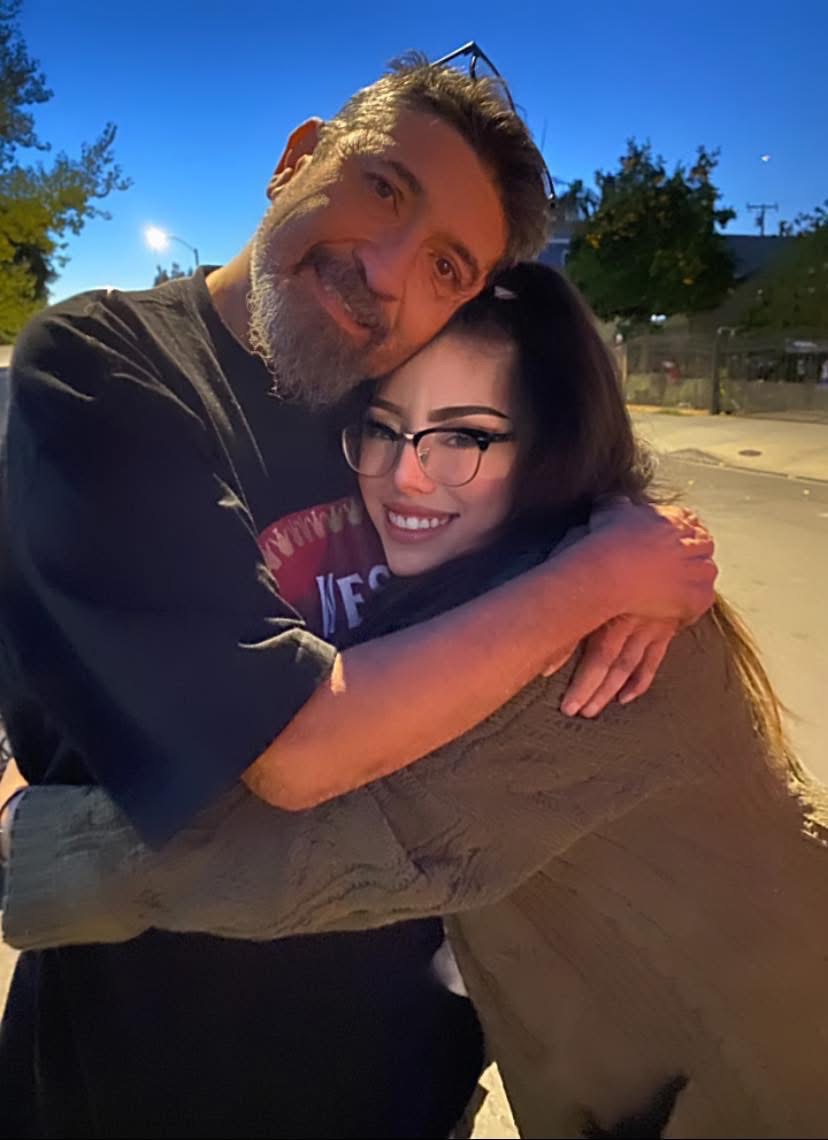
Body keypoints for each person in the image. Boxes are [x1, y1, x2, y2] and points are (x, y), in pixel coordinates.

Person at [0, 52, 715, 1140]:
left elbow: (551, 463)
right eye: (383, 188)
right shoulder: (104, 368)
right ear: (299, 157)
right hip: (128, 1086)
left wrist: (643, 533)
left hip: (409, 1091)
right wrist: (602, 575)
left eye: (446, 266)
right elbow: (297, 750)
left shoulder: (394, 390)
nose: (386, 270)